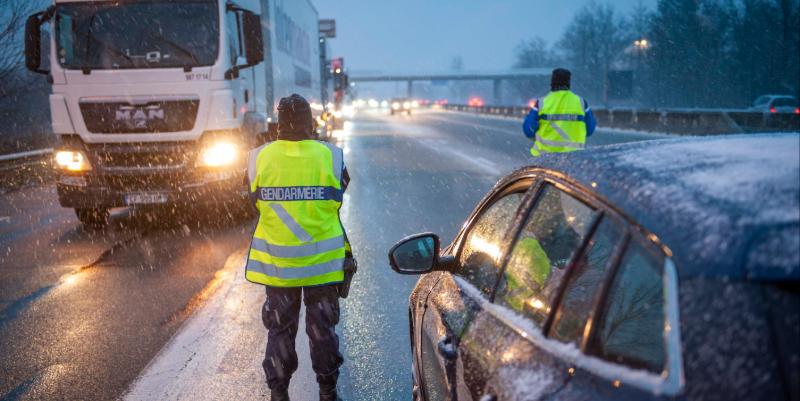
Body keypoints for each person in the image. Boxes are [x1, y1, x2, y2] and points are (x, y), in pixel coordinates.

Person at [245, 94, 353, 401]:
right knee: (322, 332)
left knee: (280, 331)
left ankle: (279, 394)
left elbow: (253, 200)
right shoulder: (330, 156)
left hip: (279, 265)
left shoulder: (259, 158)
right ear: (310, 122)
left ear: (279, 122)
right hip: (322, 264)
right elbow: (338, 193)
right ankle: (327, 392)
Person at [522, 68, 597, 156]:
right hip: (574, 158)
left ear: (552, 83)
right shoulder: (581, 102)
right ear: (568, 82)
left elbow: (528, 130)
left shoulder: (542, 103)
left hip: (544, 158)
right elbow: (590, 130)